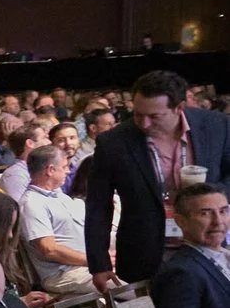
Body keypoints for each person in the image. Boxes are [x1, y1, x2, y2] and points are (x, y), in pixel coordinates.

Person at [82, 69, 230, 287]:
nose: (144, 124)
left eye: (154, 116)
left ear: (179, 108)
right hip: (146, 252)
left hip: (210, 243)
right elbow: (98, 206)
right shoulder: (113, 142)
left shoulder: (217, 125)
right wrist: (99, 264)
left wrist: (210, 194)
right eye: (138, 114)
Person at [154, 182, 230, 308]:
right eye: (205, 213)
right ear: (180, 221)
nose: (218, 222)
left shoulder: (223, 256)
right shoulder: (182, 272)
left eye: (223, 211)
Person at [18, 143, 94, 296]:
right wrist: (93, 260)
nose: (69, 170)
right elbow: (49, 249)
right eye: (65, 166)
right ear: (51, 170)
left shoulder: (60, 195)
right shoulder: (32, 203)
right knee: (130, 282)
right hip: (64, 274)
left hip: (85, 265)